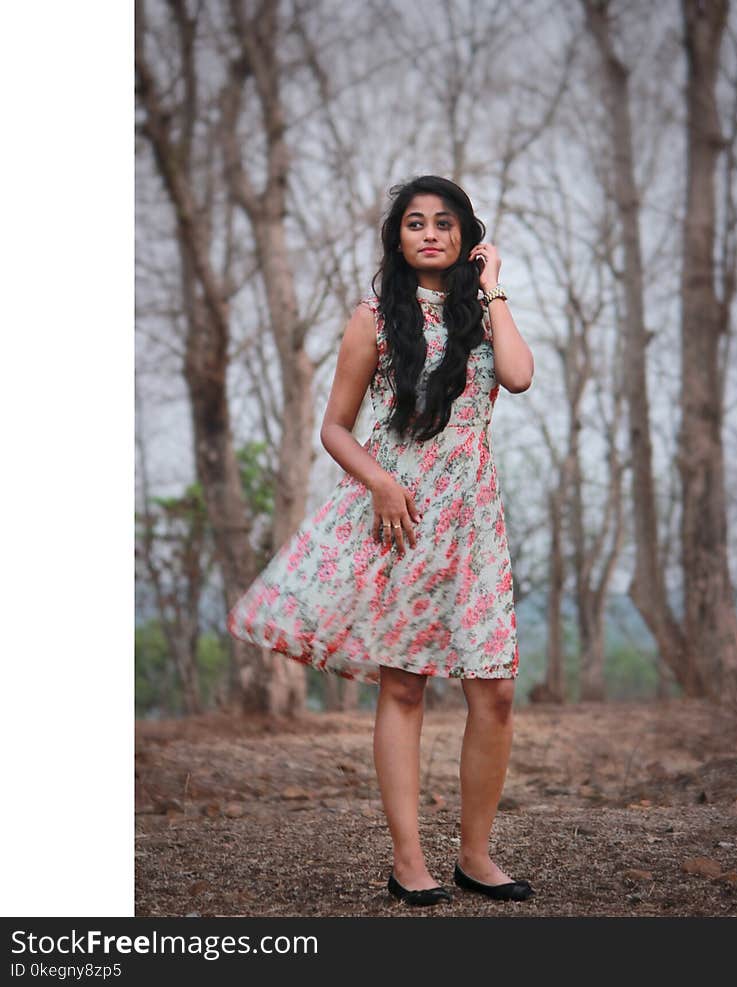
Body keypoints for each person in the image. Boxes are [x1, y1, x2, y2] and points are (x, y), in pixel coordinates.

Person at [226, 175, 535, 907]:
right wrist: (382, 484)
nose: (430, 233)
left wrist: (493, 287)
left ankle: (476, 855)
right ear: (398, 238)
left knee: (493, 692)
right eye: (415, 223)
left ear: (466, 236)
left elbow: (519, 377)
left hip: (474, 524)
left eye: (445, 223)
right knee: (404, 684)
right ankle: (408, 860)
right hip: (399, 517)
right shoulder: (372, 318)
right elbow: (332, 427)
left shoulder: (484, 315)